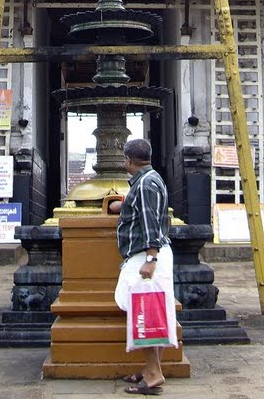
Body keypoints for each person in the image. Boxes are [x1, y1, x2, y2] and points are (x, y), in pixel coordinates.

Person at [108, 138, 178, 397]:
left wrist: (150, 259)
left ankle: (153, 374)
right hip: (150, 255)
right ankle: (151, 369)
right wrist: (120, 205)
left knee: (145, 312)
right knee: (153, 313)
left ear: (128, 160)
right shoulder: (149, 180)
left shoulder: (146, 184)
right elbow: (140, 210)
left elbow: (150, 222)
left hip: (147, 257)